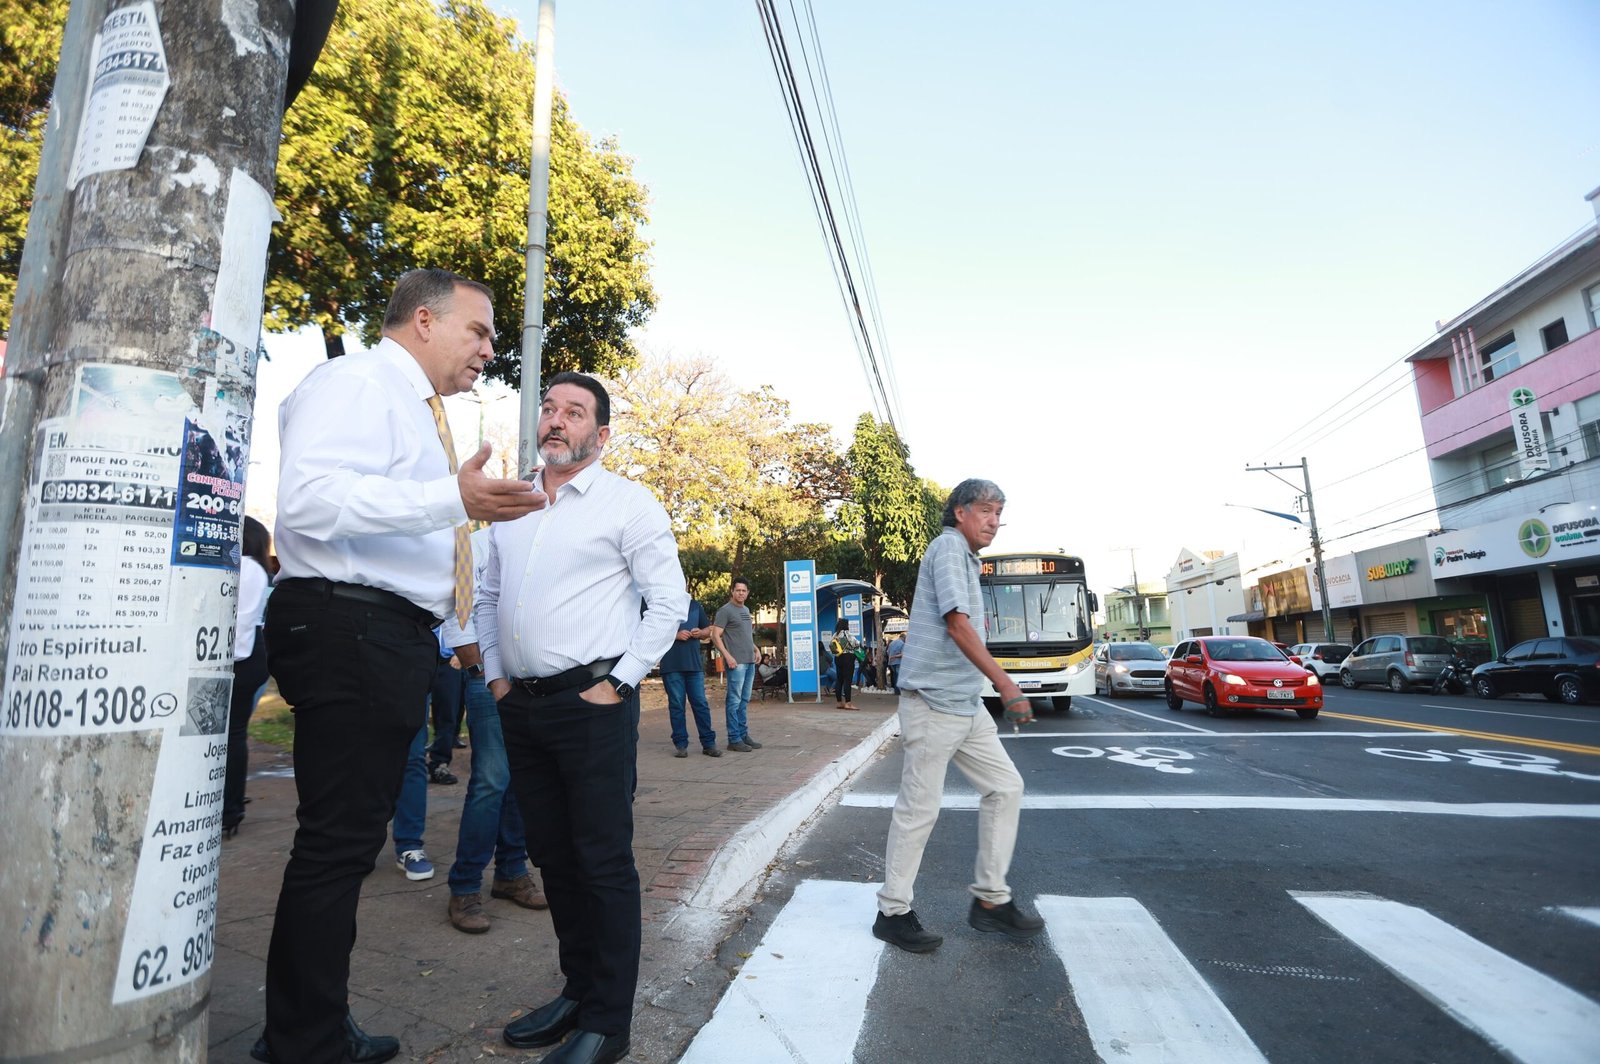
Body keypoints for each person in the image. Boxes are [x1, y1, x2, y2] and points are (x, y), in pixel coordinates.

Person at [254, 268, 546, 1064]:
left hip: (385, 634)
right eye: (479, 331)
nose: (490, 349)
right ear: (424, 319)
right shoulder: (356, 383)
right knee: (338, 843)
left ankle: (308, 1023)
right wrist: (451, 500)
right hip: (352, 626)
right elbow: (309, 502)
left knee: (344, 842)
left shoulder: (414, 408)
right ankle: (305, 1041)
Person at [479, 371, 688, 1064]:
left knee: (602, 861)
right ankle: (577, 991)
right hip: (523, 708)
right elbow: (486, 594)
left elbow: (668, 603)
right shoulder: (512, 503)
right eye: (548, 408)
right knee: (554, 857)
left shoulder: (628, 504)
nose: (556, 420)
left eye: (574, 412)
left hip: (592, 706)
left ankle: (609, 1021)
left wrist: (621, 684)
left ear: (600, 434)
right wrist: (495, 676)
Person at [872, 478, 1045, 955]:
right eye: (986, 511)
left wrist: (986, 689)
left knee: (1005, 787)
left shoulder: (969, 559)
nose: (993, 521)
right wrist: (1007, 684)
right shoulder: (948, 549)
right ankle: (892, 912)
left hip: (965, 705)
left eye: (999, 513)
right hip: (932, 703)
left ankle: (990, 902)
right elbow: (957, 623)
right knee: (918, 810)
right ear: (960, 512)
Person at [446, 528, 548, 932]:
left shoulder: (547, 544)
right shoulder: (479, 543)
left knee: (521, 781)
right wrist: (481, 671)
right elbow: (459, 615)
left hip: (533, 681)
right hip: (489, 679)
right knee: (490, 781)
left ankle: (510, 874)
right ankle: (465, 888)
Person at [222, 516, 272, 837]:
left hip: (240, 657)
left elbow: (238, 625)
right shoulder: (258, 569)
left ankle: (229, 807)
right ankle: (231, 805)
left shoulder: (245, 568)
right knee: (233, 735)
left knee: (231, 735)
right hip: (248, 656)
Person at [662, 599, 720, 757]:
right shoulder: (662, 605)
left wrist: (701, 633)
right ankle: (681, 744)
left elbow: (708, 629)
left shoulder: (694, 605)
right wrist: (675, 635)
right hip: (671, 664)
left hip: (694, 665)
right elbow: (652, 631)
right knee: (676, 705)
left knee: (700, 703)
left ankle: (709, 744)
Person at [709, 578, 762, 752]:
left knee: (744, 700)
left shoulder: (746, 609)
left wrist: (756, 649)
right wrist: (727, 656)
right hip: (736, 663)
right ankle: (734, 738)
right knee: (734, 700)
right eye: (737, 590)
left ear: (748, 592)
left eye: (744, 590)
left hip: (749, 661)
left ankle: (743, 735)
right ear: (732, 591)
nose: (741, 593)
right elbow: (715, 635)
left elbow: (746, 635)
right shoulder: (725, 611)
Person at [424, 634, 467, 785]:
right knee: (415, 714)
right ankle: (413, 764)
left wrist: (459, 653)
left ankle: (439, 764)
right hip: (423, 656)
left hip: (450, 661)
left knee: (448, 715)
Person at [830, 619, 859, 710]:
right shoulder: (847, 634)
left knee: (839, 680)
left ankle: (839, 702)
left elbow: (832, 647)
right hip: (848, 658)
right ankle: (848, 703)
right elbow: (856, 644)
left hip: (838, 658)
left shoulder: (835, 635)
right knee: (847, 681)